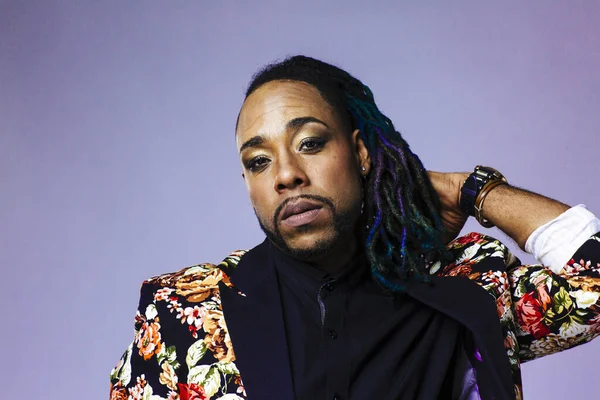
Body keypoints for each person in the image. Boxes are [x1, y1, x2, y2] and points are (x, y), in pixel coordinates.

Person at [109, 56, 600, 400]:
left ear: (361, 153)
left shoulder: (468, 284)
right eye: (258, 161)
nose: (285, 175)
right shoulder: (183, 314)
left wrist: (470, 191)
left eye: (310, 143)